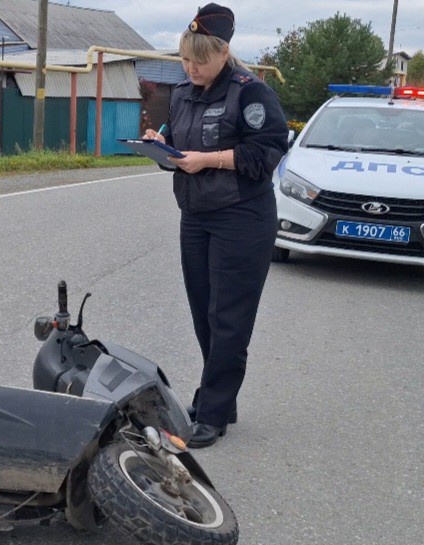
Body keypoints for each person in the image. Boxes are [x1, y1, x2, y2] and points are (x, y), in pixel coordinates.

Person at [144, 3, 289, 448]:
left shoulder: (250, 92)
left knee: (229, 319)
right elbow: (179, 140)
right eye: (185, 59)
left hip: (242, 218)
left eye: (200, 61)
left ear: (224, 51)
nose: (191, 68)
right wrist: (161, 146)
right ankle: (220, 398)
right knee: (204, 313)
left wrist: (207, 160)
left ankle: (212, 413)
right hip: (197, 216)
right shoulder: (184, 91)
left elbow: (267, 153)